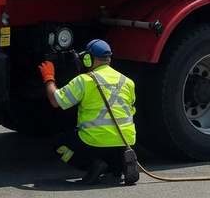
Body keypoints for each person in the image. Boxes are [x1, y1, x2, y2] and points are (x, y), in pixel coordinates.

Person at [39, 39, 140, 186]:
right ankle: (122, 164)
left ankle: (92, 165)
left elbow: (56, 101)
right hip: (126, 142)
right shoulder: (128, 82)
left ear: (88, 58)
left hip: (93, 141)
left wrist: (48, 78)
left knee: (58, 144)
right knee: (113, 153)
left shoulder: (84, 80)